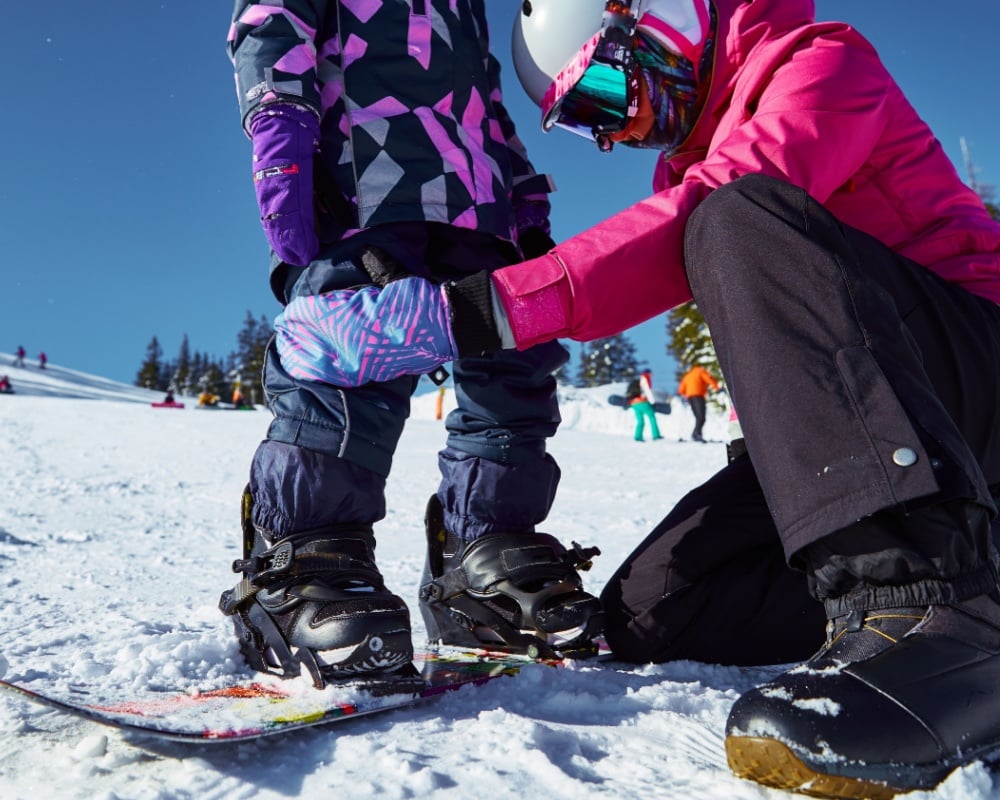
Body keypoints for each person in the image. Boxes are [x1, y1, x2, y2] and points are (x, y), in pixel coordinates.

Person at [273, 1, 1000, 795]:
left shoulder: (820, 64)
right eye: (587, 124)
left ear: (661, 22)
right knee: (659, 609)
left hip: (978, 374)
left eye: (604, 98)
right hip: (906, 427)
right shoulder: (698, 166)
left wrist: (471, 313)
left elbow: (703, 212)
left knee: (731, 218)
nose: (611, 134)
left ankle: (933, 617)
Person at [218, 1, 604, 689]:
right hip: (363, 181)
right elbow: (272, 19)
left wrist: (520, 190)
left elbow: (483, 92)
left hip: (477, 205)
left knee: (513, 370)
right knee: (351, 353)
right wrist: (279, 121)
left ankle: (483, 549)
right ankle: (305, 557)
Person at [676, 363, 719, 442]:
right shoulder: (700, 371)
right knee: (701, 417)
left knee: (698, 417)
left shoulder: (688, 375)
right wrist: (717, 387)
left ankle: (697, 434)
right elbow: (708, 378)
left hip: (690, 398)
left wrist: (686, 395)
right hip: (698, 396)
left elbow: (681, 390)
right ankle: (696, 434)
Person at [627, 369, 662, 442]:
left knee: (640, 420)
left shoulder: (638, 380)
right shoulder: (645, 379)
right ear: (648, 373)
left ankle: (638, 436)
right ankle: (656, 435)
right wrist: (652, 402)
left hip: (634, 403)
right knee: (652, 417)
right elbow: (647, 391)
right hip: (642, 402)